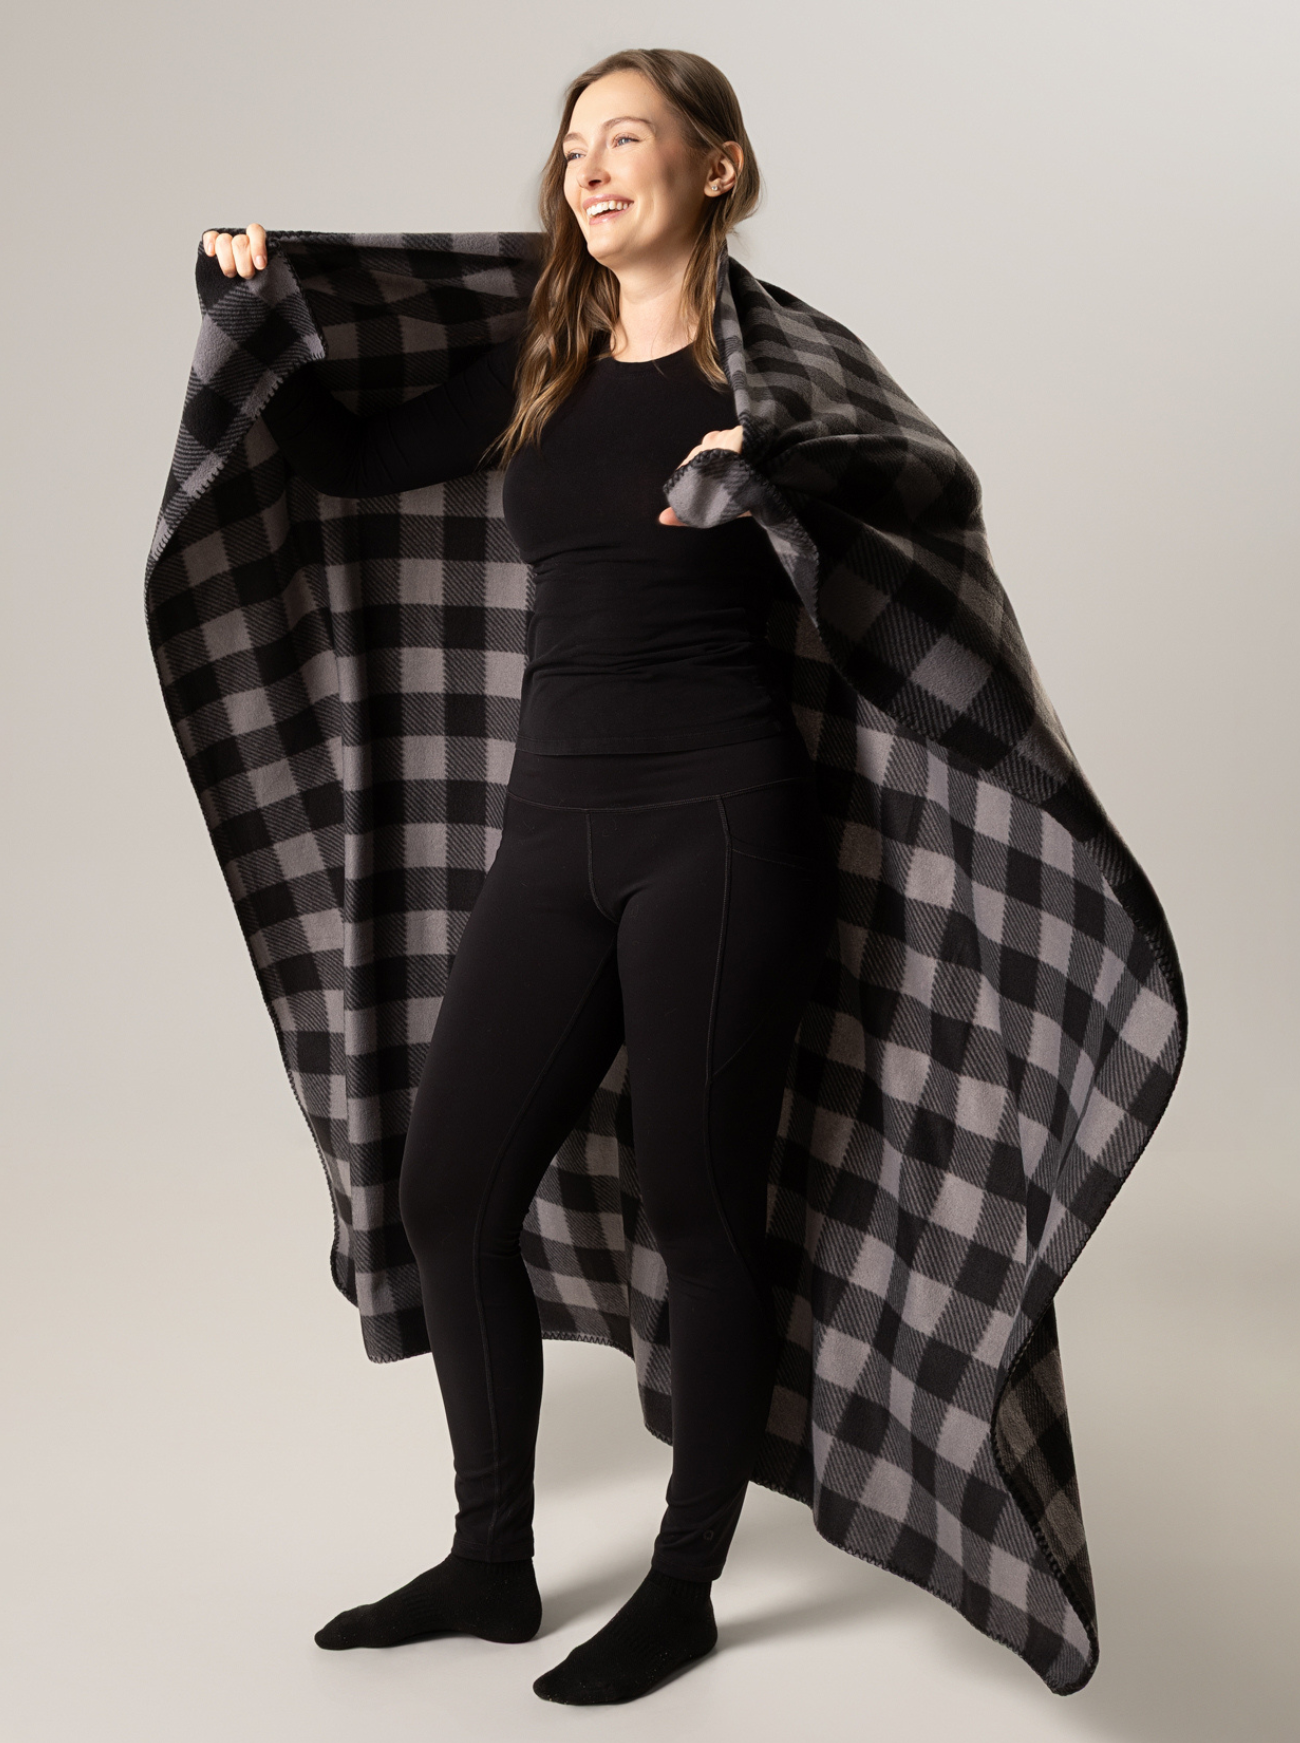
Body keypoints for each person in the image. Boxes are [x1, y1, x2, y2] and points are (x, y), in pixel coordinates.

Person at [203, 47, 839, 1706]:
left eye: (627, 139)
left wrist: (773, 472)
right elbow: (343, 460)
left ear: (720, 168)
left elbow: (913, 513)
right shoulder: (541, 366)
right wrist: (258, 304)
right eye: (572, 147)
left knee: (697, 1204)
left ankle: (686, 1582)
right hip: (552, 819)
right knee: (447, 1192)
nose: (589, 168)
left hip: (720, 818)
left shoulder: (780, 373)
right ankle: (495, 1561)